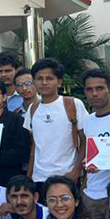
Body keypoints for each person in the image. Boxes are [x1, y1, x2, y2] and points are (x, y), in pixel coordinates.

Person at [26, 58, 87, 191]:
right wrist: (29, 175)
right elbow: (34, 146)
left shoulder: (73, 104)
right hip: (39, 178)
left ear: (59, 82)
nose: (44, 82)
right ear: (34, 81)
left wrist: (76, 172)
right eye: (39, 78)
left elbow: (85, 140)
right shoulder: (33, 108)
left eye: (49, 78)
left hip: (66, 176)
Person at [80, 69, 110, 219]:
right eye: (89, 89)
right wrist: (83, 191)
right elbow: (87, 157)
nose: (94, 93)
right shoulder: (88, 121)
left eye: (99, 88)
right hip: (91, 196)